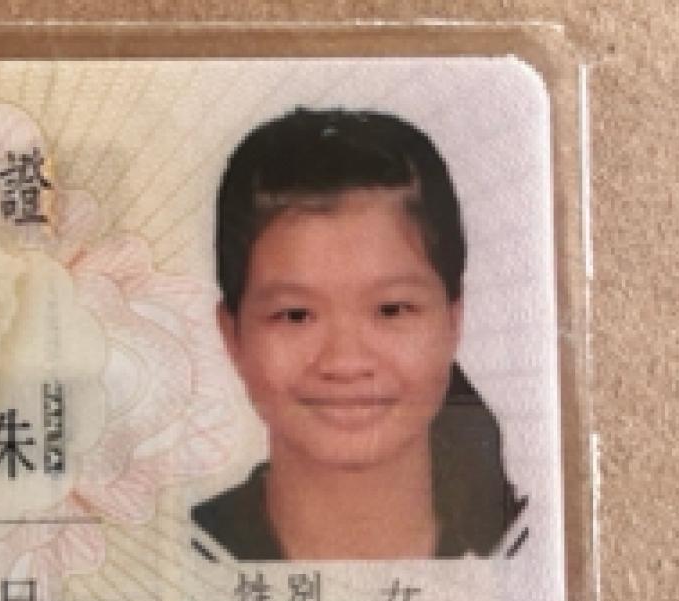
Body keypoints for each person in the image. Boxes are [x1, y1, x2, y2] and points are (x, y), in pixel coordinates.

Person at [191, 108, 526, 561]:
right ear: (232, 335)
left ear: (454, 320)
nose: (345, 362)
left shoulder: (521, 552)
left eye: (391, 310)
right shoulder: (175, 561)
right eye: (296, 315)